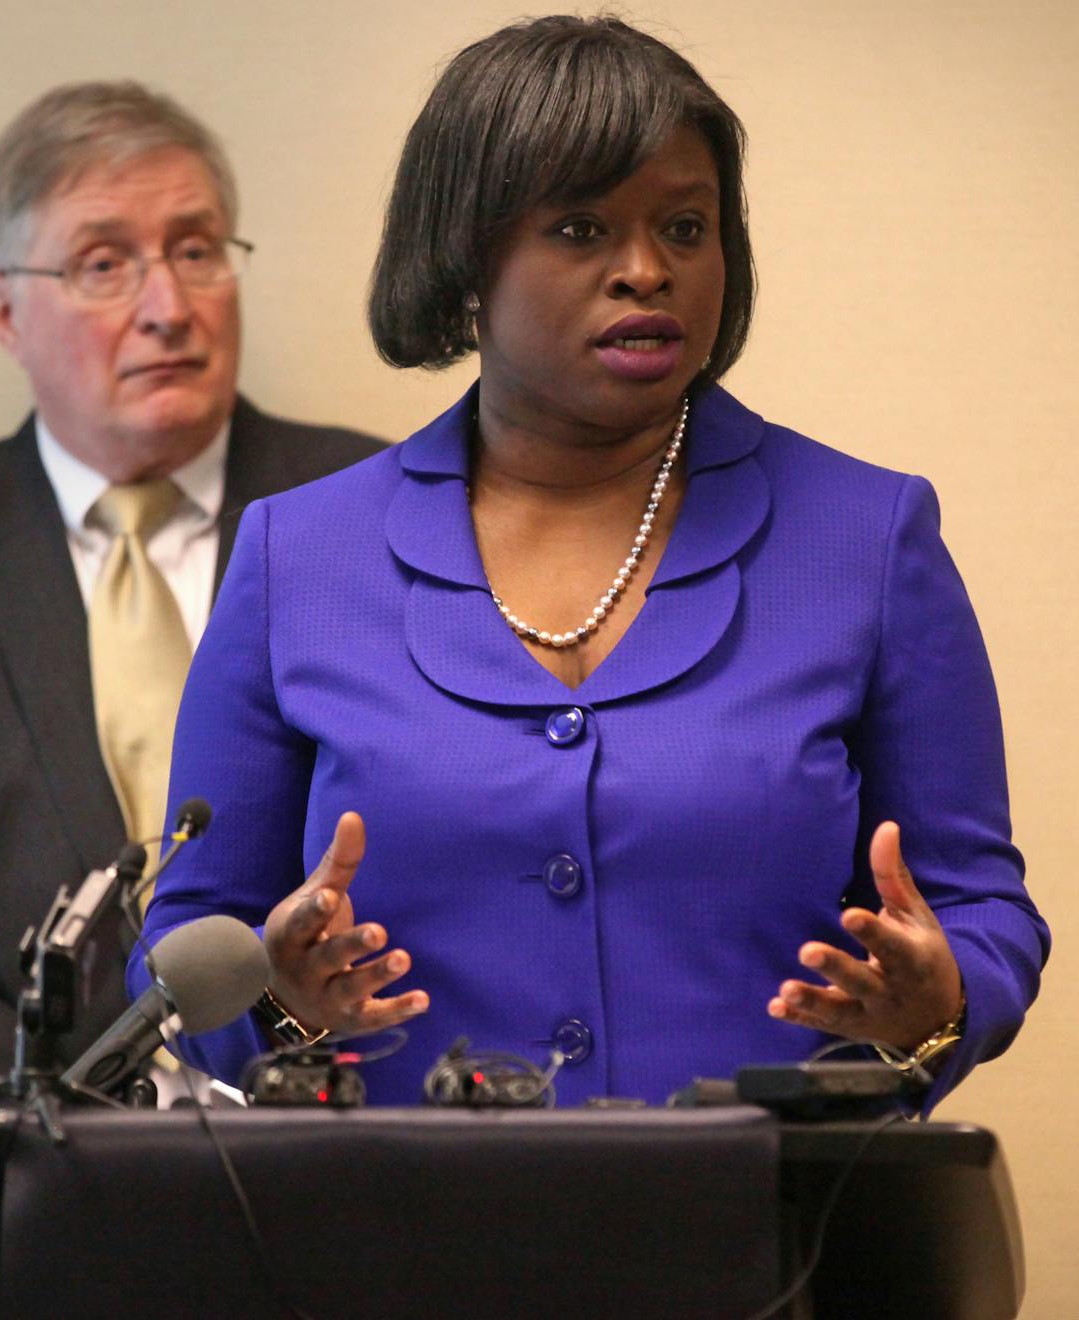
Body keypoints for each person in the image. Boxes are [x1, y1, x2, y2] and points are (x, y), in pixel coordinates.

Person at [132, 16, 1048, 1109]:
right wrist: (283, 1003)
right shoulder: (301, 557)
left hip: (777, 1234)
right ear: (465, 260)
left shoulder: (867, 537)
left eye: (686, 225)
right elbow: (187, 945)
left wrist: (940, 1002)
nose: (647, 271)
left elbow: (983, 911)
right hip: (397, 1244)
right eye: (580, 227)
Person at [0, 81, 384, 1112]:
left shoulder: (374, 515)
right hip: (34, 1187)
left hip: (351, 1144)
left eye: (196, 250)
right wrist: (69, 1119)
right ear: (6, 311)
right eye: (105, 264)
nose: (167, 306)